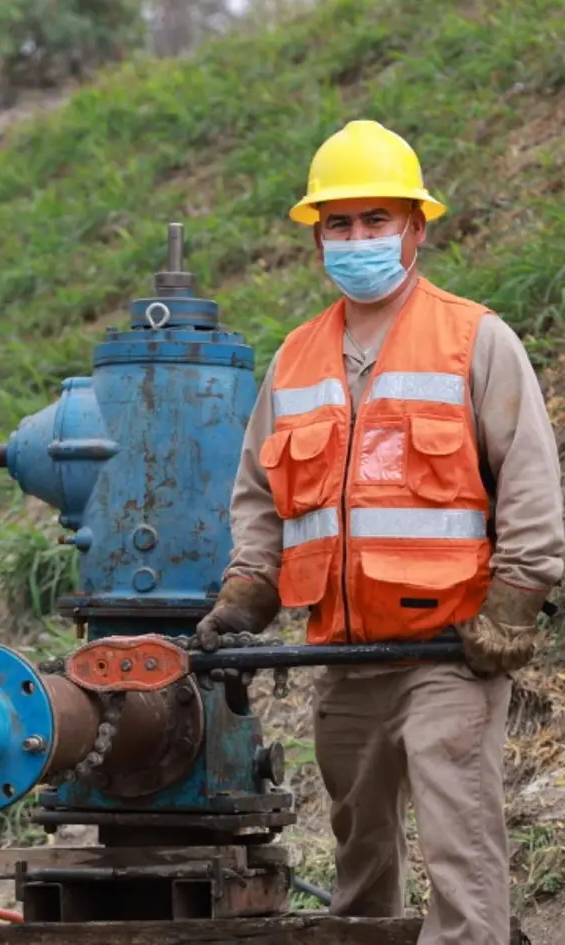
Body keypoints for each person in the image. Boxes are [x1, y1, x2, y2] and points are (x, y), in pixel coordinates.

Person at [194, 119, 565, 945]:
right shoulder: (294, 360)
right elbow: (259, 496)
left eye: (376, 221)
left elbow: (533, 487)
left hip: (449, 654)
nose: (356, 239)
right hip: (342, 659)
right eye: (339, 224)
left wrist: (513, 604)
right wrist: (249, 589)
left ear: (416, 228)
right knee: (360, 862)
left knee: (459, 846)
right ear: (317, 239)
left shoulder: (476, 340)